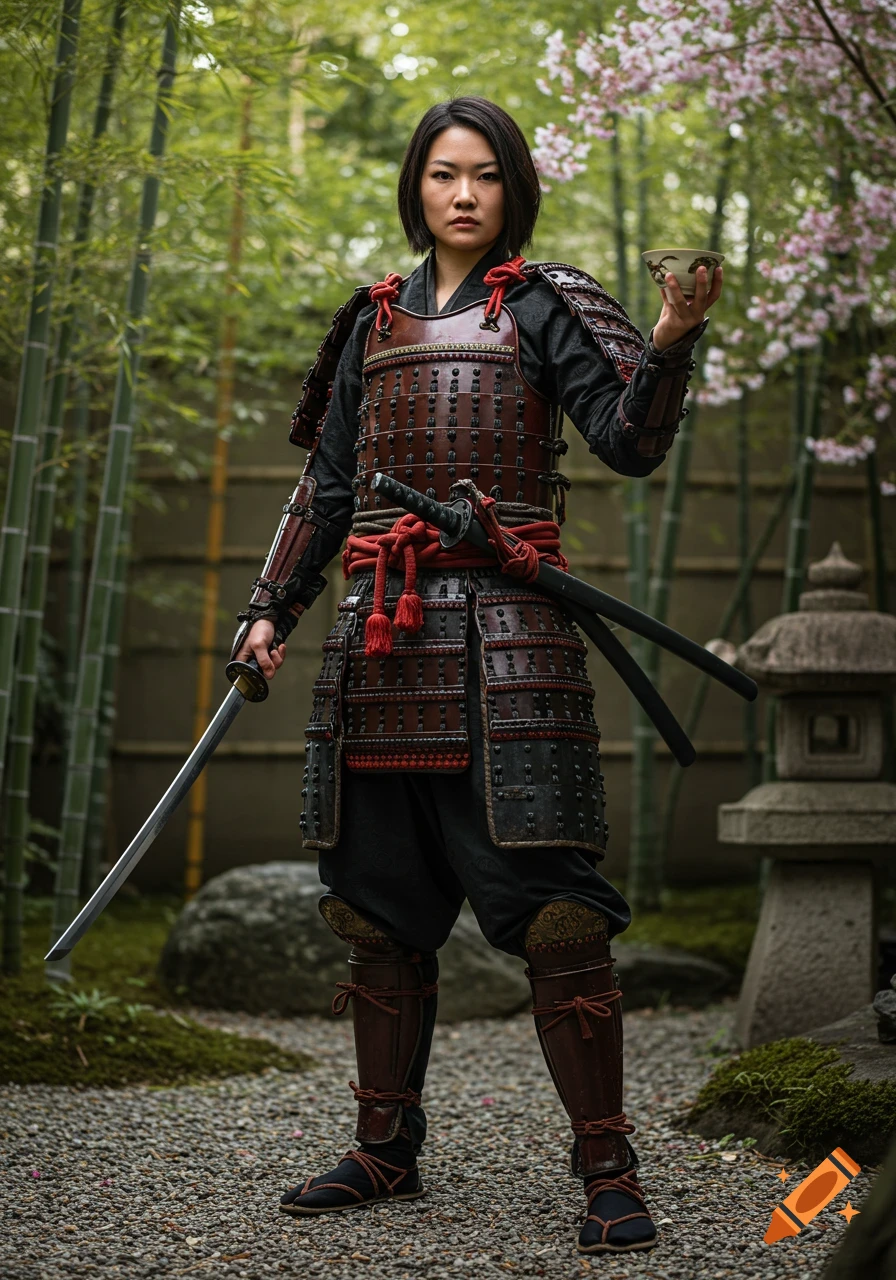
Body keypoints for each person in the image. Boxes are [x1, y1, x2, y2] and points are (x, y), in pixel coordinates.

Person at [231, 96, 721, 1256]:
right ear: (416, 185)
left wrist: (666, 338)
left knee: (554, 913)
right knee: (375, 908)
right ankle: (382, 1148)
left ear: (512, 189)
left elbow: (629, 441)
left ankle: (605, 1160)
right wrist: (269, 609)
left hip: (509, 644)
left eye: (485, 175)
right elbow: (330, 487)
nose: (462, 193)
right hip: (379, 643)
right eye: (443, 173)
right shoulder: (372, 322)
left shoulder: (544, 302)